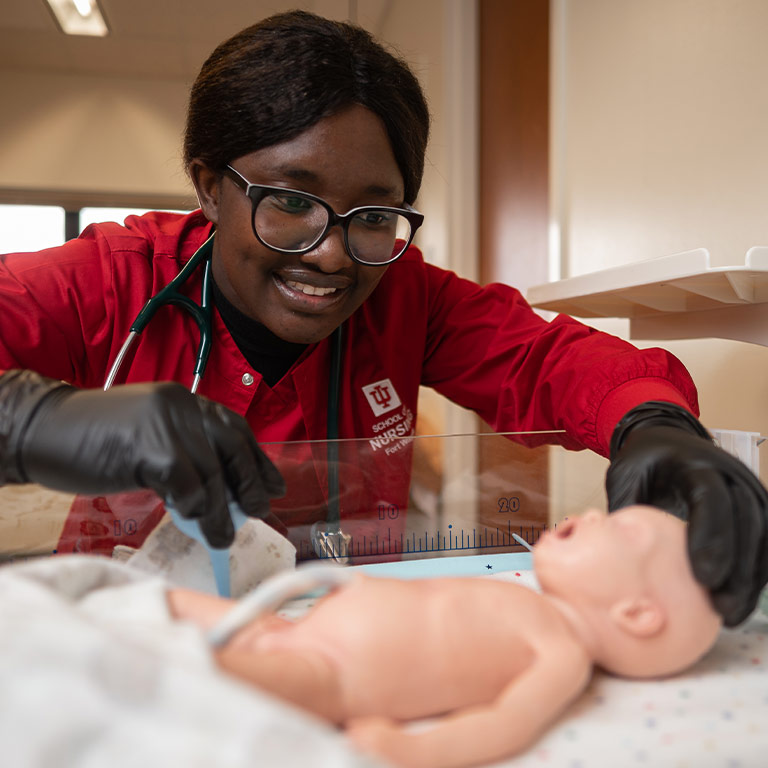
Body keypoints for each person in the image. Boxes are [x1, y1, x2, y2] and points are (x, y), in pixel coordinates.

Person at [0, 10, 765, 623]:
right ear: (208, 185)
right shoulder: (111, 280)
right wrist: (33, 420)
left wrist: (653, 426)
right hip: (131, 640)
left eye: (372, 215)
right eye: (291, 202)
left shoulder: (407, 296)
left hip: (347, 636)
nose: (333, 256)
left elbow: (548, 362)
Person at [167, 505, 723, 768]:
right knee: (172, 606)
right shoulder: (526, 594)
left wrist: (410, 750)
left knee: (202, 671)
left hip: (333, 676)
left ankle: (124, 654)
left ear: (637, 614)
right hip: (296, 625)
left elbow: (506, 725)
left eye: (622, 527)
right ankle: (119, 603)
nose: (597, 513)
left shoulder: (564, 654)